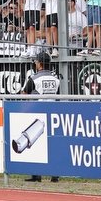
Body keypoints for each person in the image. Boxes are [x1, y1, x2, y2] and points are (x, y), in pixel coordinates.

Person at [22, 51, 60, 183]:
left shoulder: (34, 78)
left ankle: (36, 174)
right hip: (53, 114)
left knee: (36, 143)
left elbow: (24, 94)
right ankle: (55, 173)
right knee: (52, 144)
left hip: (38, 114)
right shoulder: (56, 79)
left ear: (39, 64)